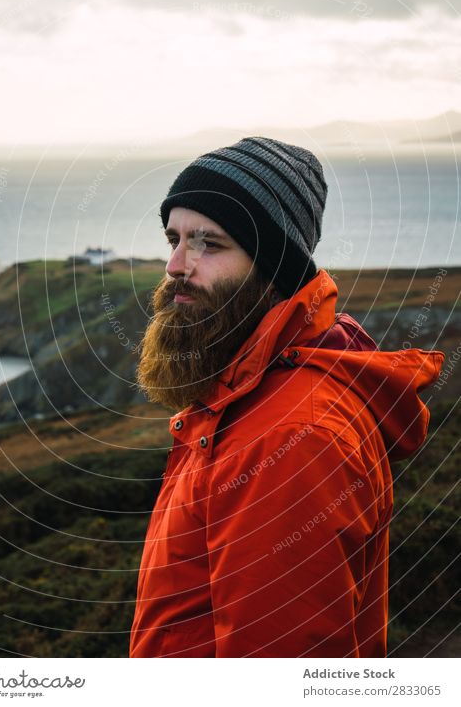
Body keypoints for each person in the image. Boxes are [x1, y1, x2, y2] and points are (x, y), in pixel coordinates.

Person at [129, 136, 445, 658]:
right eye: (174, 239)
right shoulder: (247, 388)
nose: (176, 265)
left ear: (272, 265)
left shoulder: (295, 439)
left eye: (210, 243)